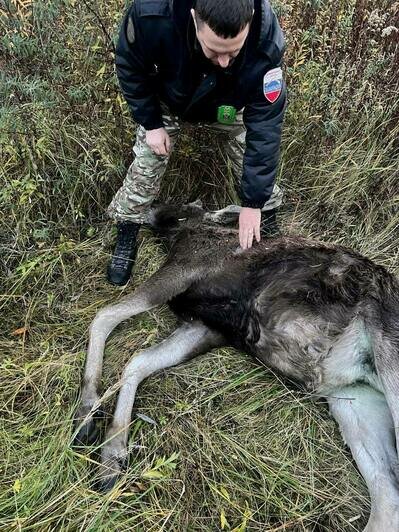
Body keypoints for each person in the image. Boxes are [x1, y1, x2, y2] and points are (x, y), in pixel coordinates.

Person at [107, 0, 286, 286]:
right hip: (169, 99)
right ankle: (128, 226)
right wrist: (152, 124)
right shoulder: (150, 16)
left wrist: (253, 203)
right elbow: (130, 68)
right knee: (147, 163)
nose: (225, 61)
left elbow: (265, 126)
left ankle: (267, 217)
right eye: (215, 51)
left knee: (253, 162)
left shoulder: (266, 37)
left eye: (234, 52)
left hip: (229, 103)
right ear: (194, 18)